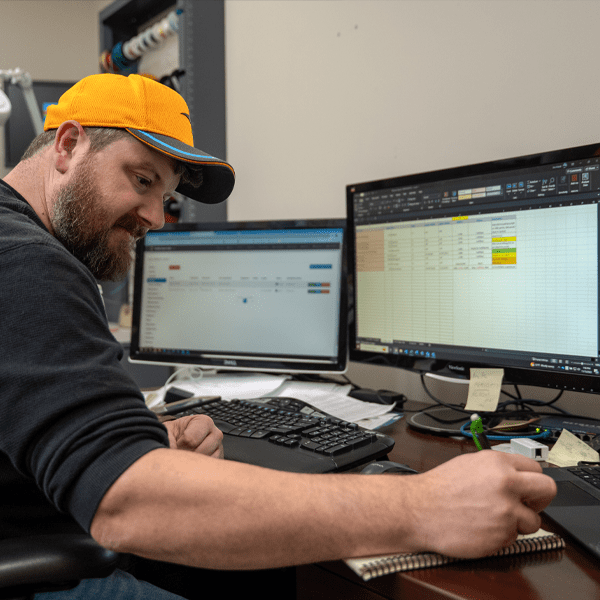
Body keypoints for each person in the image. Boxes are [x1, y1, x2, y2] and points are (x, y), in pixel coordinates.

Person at [0, 73, 557, 599]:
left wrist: (131, 438)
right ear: (68, 145)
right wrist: (423, 505)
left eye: (165, 197)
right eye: (142, 180)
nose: (155, 217)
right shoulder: (29, 262)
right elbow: (125, 502)